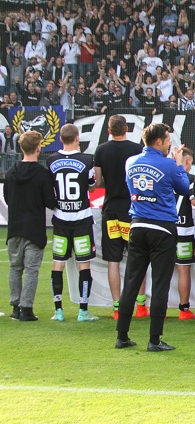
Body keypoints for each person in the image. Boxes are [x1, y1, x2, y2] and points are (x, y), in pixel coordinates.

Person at [115, 123, 191, 352]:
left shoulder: (131, 161)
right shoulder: (168, 164)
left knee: (131, 281)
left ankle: (122, 336)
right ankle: (154, 340)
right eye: (168, 140)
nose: (171, 144)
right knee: (160, 284)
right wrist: (178, 164)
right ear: (159, 141)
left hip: (137, 226)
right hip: (162, 229)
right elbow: (185, 188)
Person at [94, 115, 145, 320]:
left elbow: (97, 181)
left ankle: (117, 308)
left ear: (109, 130)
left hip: (111, 209)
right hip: (132, 210)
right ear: (126, 128)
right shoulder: (136, 149)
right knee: (137, 257)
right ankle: (140, 306)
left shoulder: (101, 150)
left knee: (113, 260)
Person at [48, 124, 98, 322]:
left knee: (57, 263)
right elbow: (92, 186)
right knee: (83, 264)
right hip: (81, 219)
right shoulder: (87, 160)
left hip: (60, 218)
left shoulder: (51, 160)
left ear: (61, 138)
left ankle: (58, 311)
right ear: (77, 138)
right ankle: (83, 310)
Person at [4, 131, 56, 321]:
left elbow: (7, 198)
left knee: (15, 268)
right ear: (38, 148)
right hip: (34, 228)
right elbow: (51, 201)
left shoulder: (10, 173)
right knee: (32, 270)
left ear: (20, 147)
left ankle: (15, 306)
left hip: (15, 227)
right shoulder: (42, 174)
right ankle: (27, 308)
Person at [174, 147, 195, 320]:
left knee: (159, 271)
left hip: (165, 229)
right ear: (188, 161)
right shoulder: (190, 179)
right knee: (184, 271)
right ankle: (184, 310)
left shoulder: (164, 176)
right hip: (183, 230)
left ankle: (145, 307)